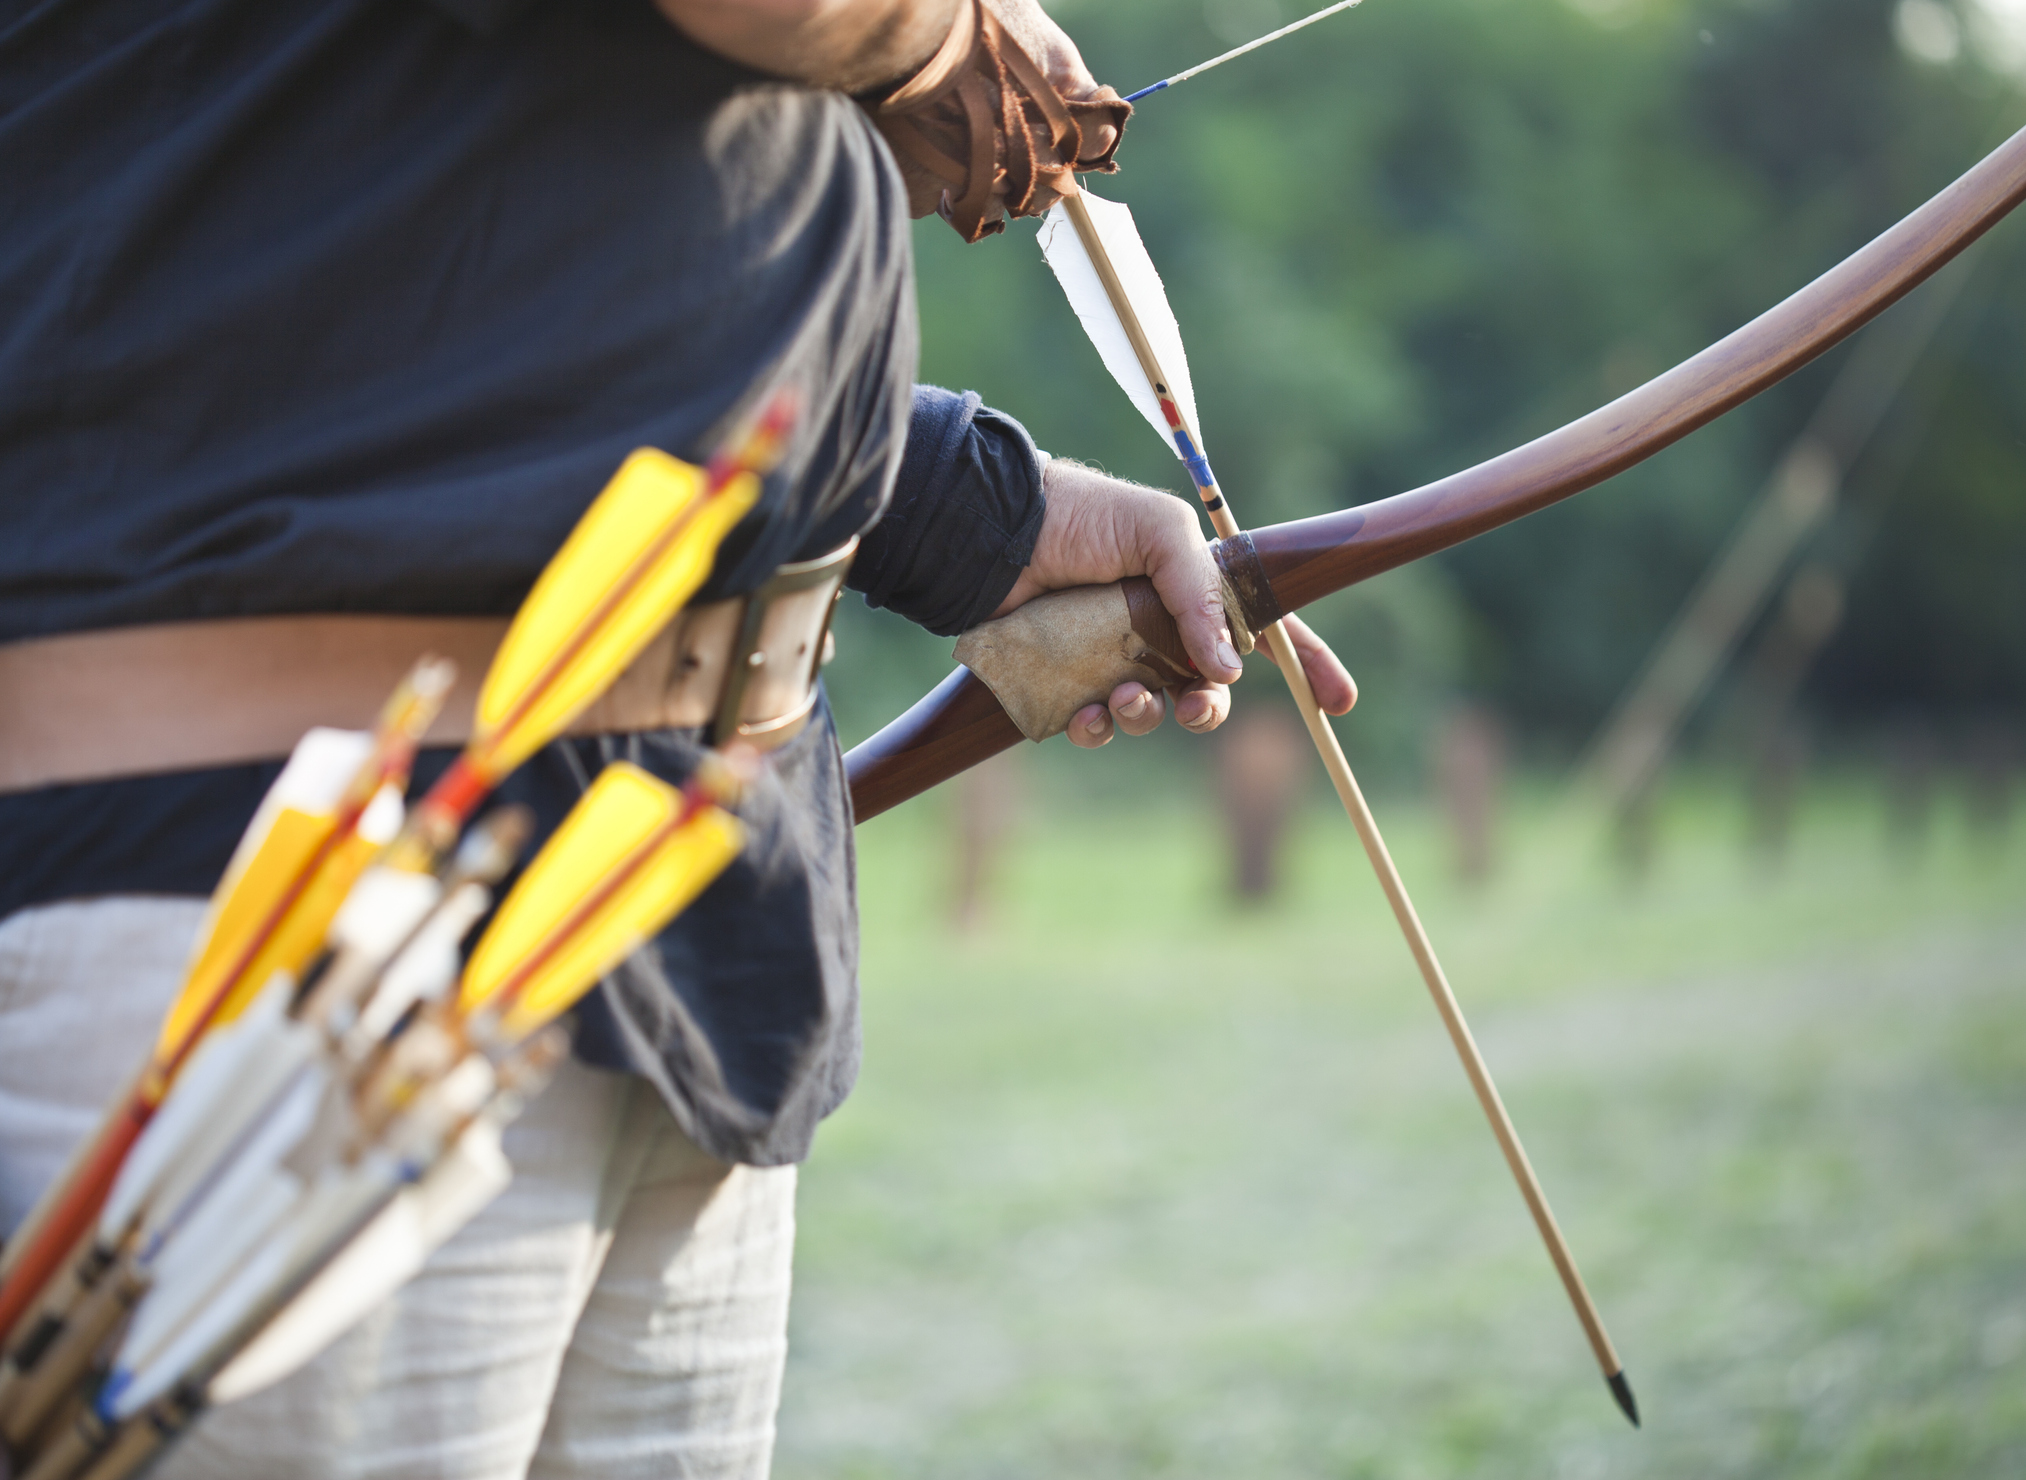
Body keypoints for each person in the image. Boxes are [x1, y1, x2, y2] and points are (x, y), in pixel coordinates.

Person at [0, 2, 1353, 1476]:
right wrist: (928, 36)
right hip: (299, 885)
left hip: (678, 928)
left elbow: (467, 215)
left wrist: (966, 509)